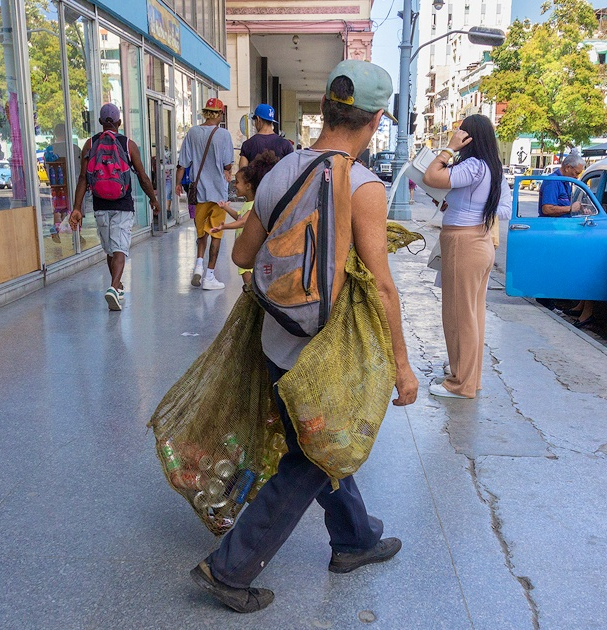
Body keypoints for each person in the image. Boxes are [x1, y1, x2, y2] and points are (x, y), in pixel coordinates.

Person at [190, 60, 419, 614]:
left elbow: (242, 255)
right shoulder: (363, 187)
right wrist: (402, 366)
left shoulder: (279, 170)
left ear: (325, 110)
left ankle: (355, 539)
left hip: (278, 338)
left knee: (314, 441)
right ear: (376, 120)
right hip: (325, 352)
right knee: (312, 458)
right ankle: (230, 569)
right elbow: (383, 288)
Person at [421, 114, 511, 399]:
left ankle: (460, 384)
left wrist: (449, 148)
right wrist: (470, 207)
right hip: (480, 241)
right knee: (473, 314)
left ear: (469, 137)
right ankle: (470, 376)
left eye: (461, 132)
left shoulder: (472, 166)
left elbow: (430, 175)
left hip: (464, 242)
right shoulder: (492, 168)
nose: (458, 134)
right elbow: (505, 208)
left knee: (459, 315)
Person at [69, 103, 160, 311]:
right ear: (119, 122)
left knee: (110, 248)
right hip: (123, 204)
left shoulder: (90, 144)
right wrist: (153, 199)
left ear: (101, 122)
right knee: (120, 247)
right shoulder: (128, 145)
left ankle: (117, 287)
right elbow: (143, 177)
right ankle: (113, 287)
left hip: (100, 204)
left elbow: (83, 177)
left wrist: (77, 208)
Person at [175, 98, 237, 291]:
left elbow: (182, 163)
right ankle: (210, 276)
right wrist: (226, 169)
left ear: (205, 112)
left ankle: (198, 266)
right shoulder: (224, 135)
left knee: (201, 233)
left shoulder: (192, 133)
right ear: (218, 114)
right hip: (219, 194)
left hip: (199, 192)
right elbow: (227, 163)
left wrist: (177, 184)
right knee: (216, 233)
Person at [209, 150, 281, 287]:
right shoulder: (258, 203)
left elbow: (242, 221)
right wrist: (226, 208)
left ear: (249, 186)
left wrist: (224, 226)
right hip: (252, 250)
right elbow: (240, 217)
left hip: (249, 249)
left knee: (251, 284)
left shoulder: (255, 205)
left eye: (237, 182)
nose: (234, 185)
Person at [238, 104, 292, 170]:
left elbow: (242, 173)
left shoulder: (247, 144)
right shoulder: (285, 144)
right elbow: (291, 171)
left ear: (258, 119)